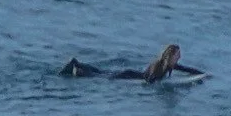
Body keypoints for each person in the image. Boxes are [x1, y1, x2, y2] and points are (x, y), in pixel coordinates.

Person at [60, 43, 208, 83]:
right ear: (171, 56)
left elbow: (187, 69)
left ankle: (77, 64)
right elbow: (149, 79)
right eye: (178, 55)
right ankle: (78, 70)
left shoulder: (170, 65)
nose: (180, 57)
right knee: (101, 76)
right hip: (129, 76)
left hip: (131, 74)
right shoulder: (159, 65)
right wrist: (156, 84)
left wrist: (202, 74)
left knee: (101, 72)